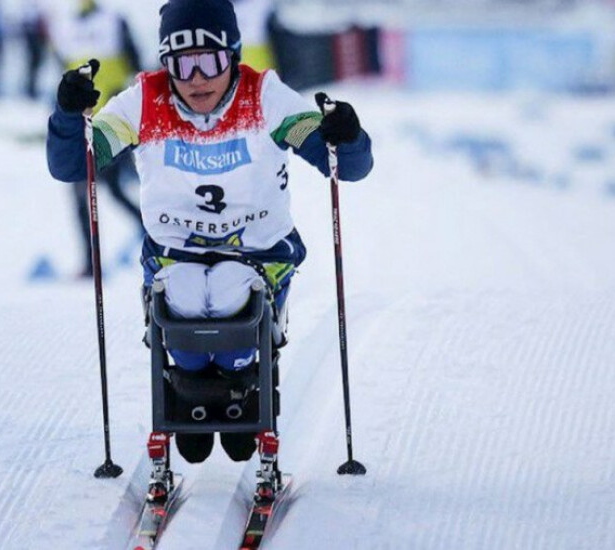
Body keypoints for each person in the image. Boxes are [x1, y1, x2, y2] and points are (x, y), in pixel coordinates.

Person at [46, 0, 372, 477]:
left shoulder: (266, 97)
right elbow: (75, 165)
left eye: (210, 61)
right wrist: (68, 118)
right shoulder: (144, 100)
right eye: (181, 64)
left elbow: (346, 166)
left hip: (259, 255)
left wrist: (348, 136)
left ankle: (239, 380)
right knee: (182, 295)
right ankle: (191, 387)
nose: (196, 78)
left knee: (228, 291)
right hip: (174, 256)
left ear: (234, 56)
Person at [50, 0, 144, 277]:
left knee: (110, 189)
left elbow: (135, 64)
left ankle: (151, 233)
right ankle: (90, 263)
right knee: (81, 192)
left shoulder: (114, 20)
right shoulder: (64, 24)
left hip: (113, 123)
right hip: (81, 122)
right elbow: (62, 72)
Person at [19, 1, 49, 100]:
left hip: (40, 35)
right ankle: (30, 87)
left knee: (37, 63)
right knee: (33, 63)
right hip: (33, 34)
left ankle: (32, 87)